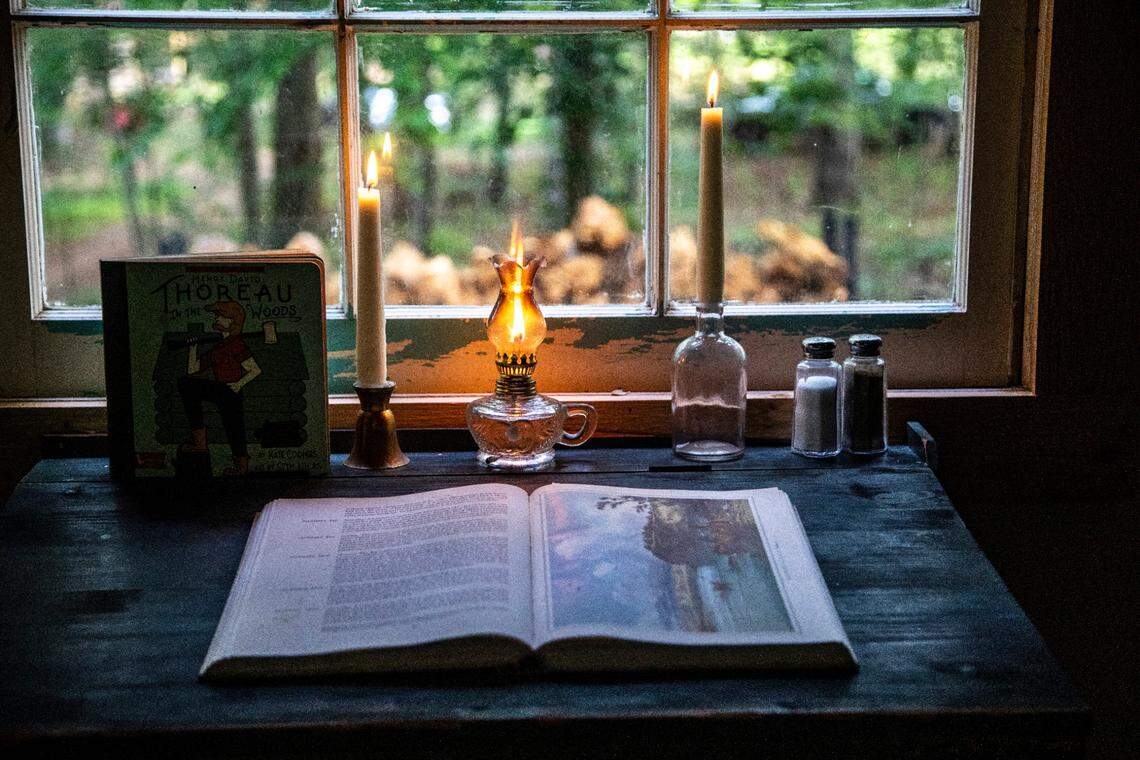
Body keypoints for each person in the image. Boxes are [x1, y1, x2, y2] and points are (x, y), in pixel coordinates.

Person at [177, 299, 261, 475]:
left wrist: (238, 384)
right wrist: (193, 348)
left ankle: (241, 467)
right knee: (186, 384)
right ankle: (200, 443)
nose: (216, 319)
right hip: (220, 389)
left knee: (234, 426)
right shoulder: (219, 346)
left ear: (232, 321)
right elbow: (193, 369)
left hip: (230, 390)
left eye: (220, 316)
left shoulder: (236, 344)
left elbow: (255, 370)